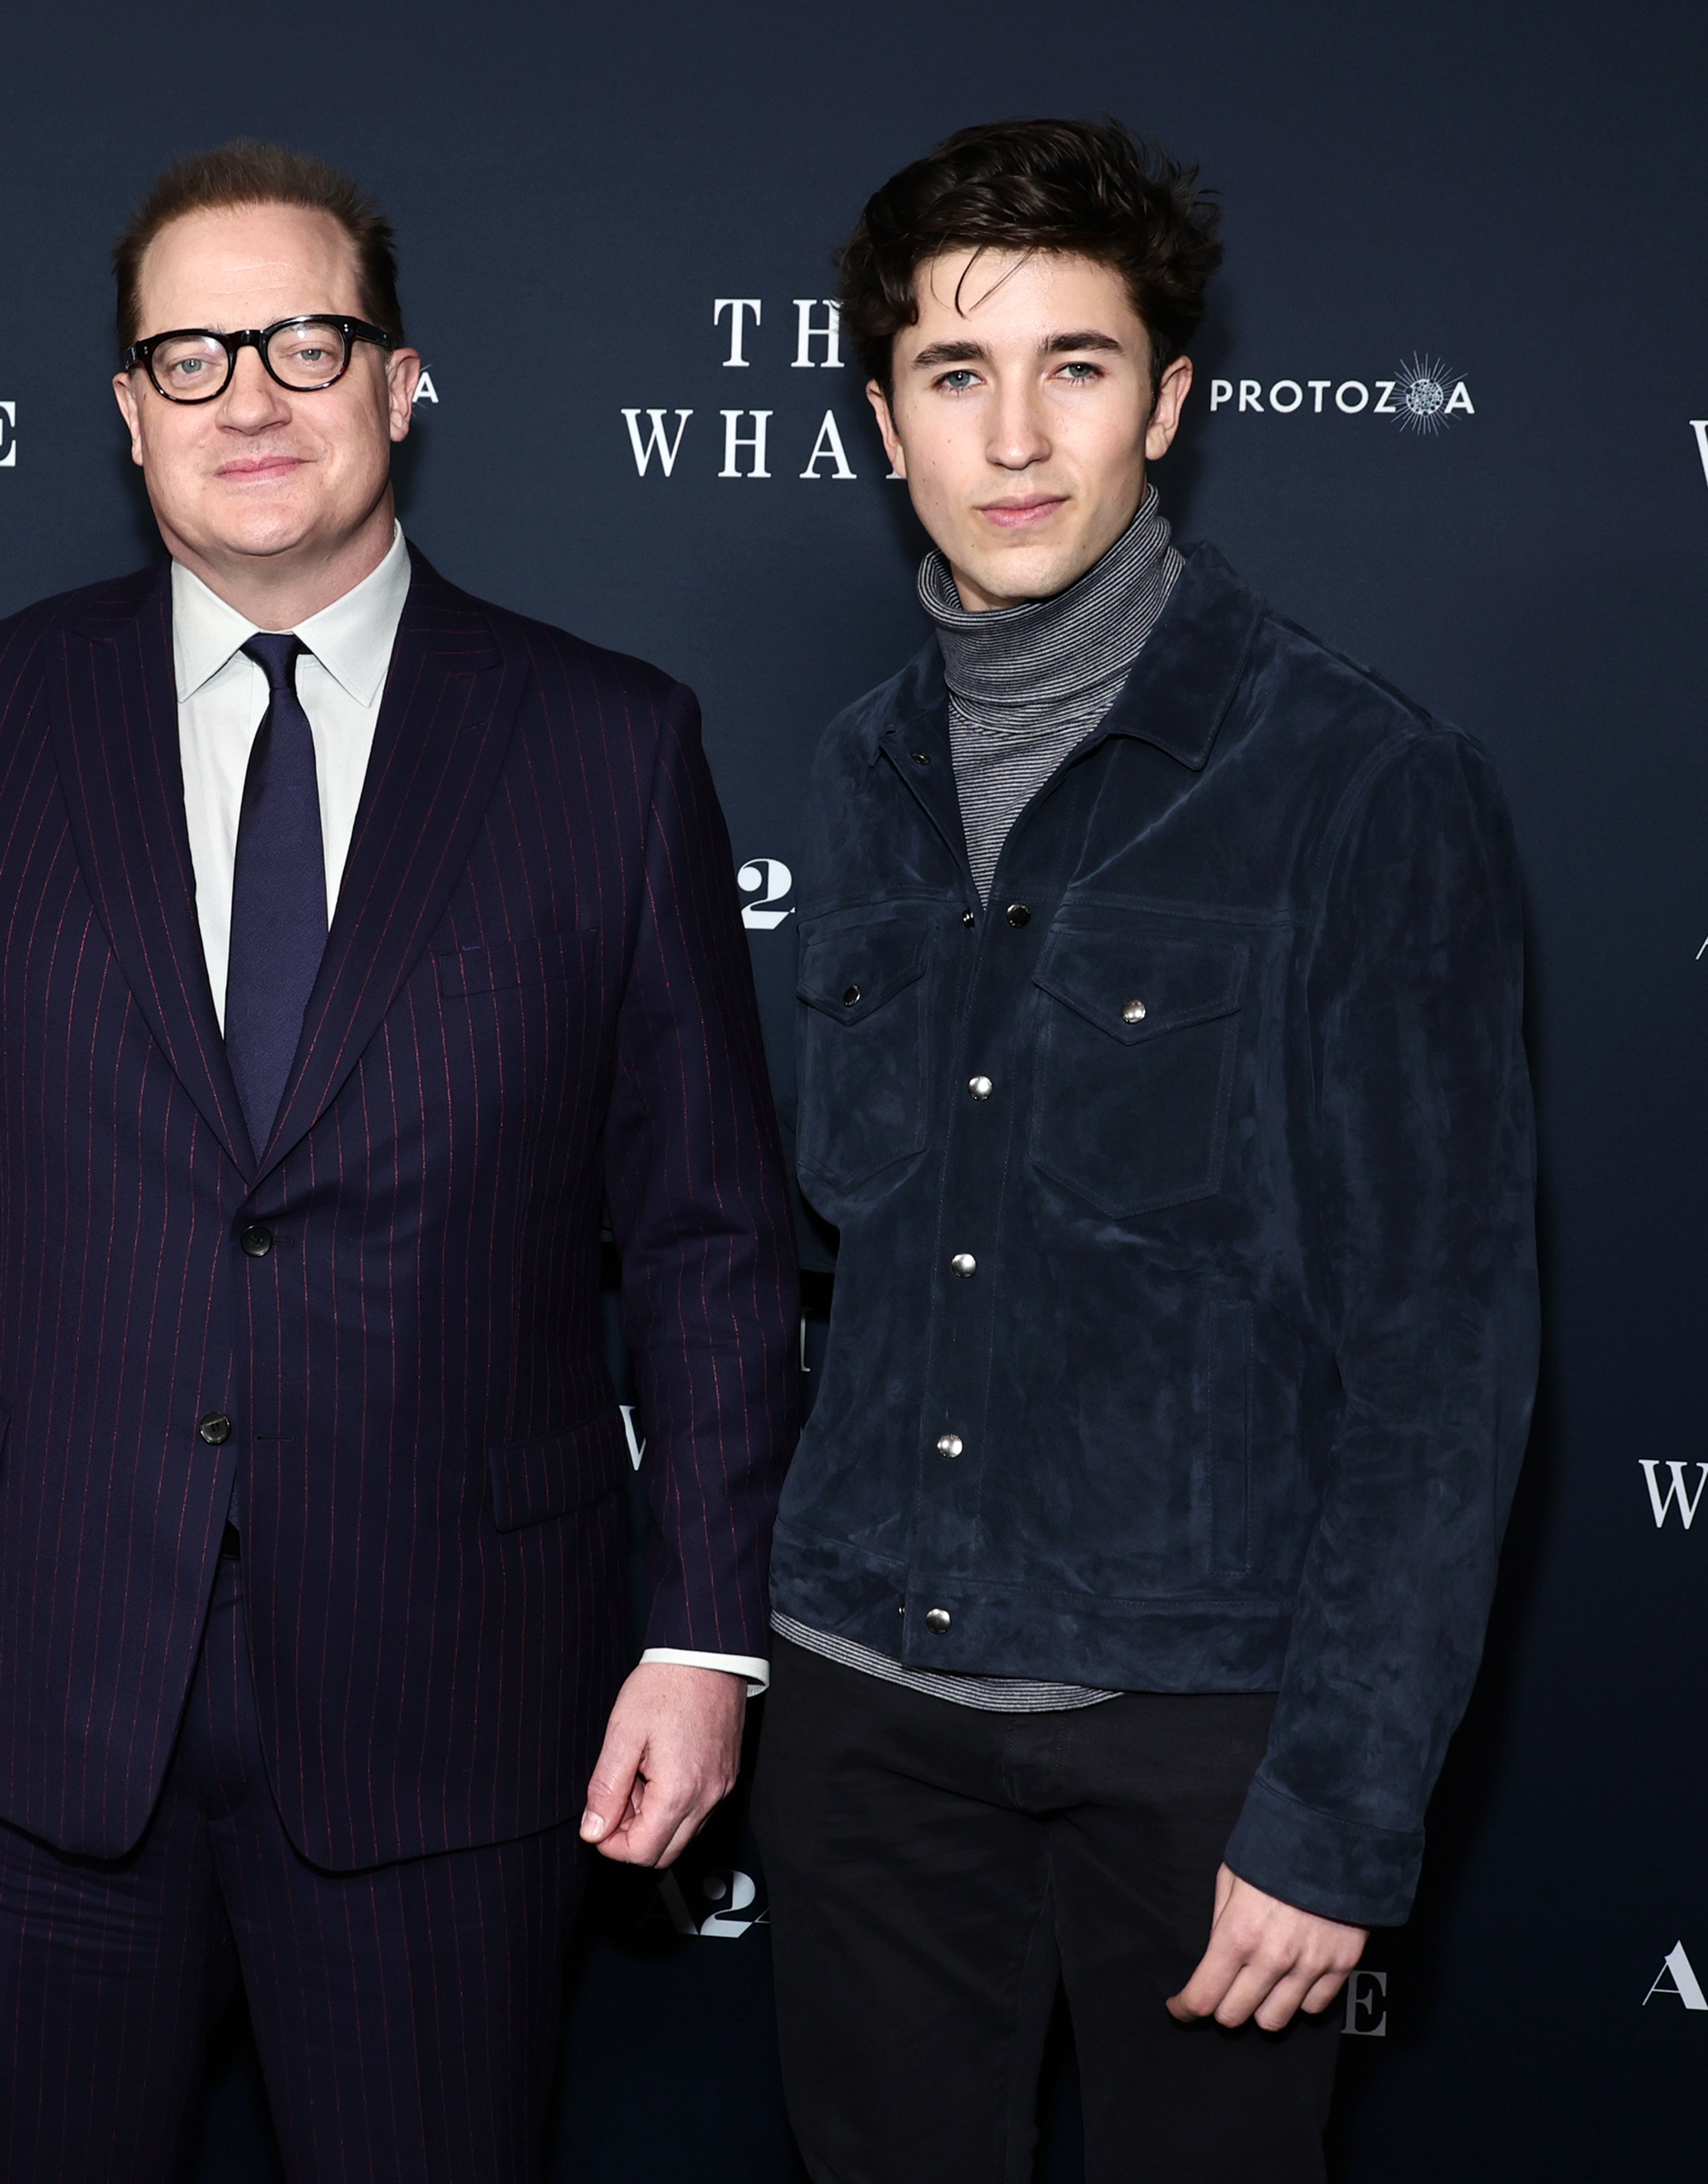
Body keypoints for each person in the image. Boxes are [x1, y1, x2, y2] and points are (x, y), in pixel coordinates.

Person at [0, 139, 795, 2183]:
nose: (251, 397)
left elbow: (713, 1238)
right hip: (36, 1690)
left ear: (403, 382)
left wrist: (705, 1628)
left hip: (458, 1703)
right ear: (126, 414)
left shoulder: (607, 743)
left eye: (308, 340)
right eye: (191, 355)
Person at [765, 117, 1537, 2181]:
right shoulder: (851, 781)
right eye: (956, 372)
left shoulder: (1362, 786)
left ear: (1171, 403)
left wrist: (1341, 1816)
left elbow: (1442, 1366)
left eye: (1079, 366)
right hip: (859, 1721)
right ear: (886, 420)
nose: (1017, 435)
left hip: (1200, 1750)